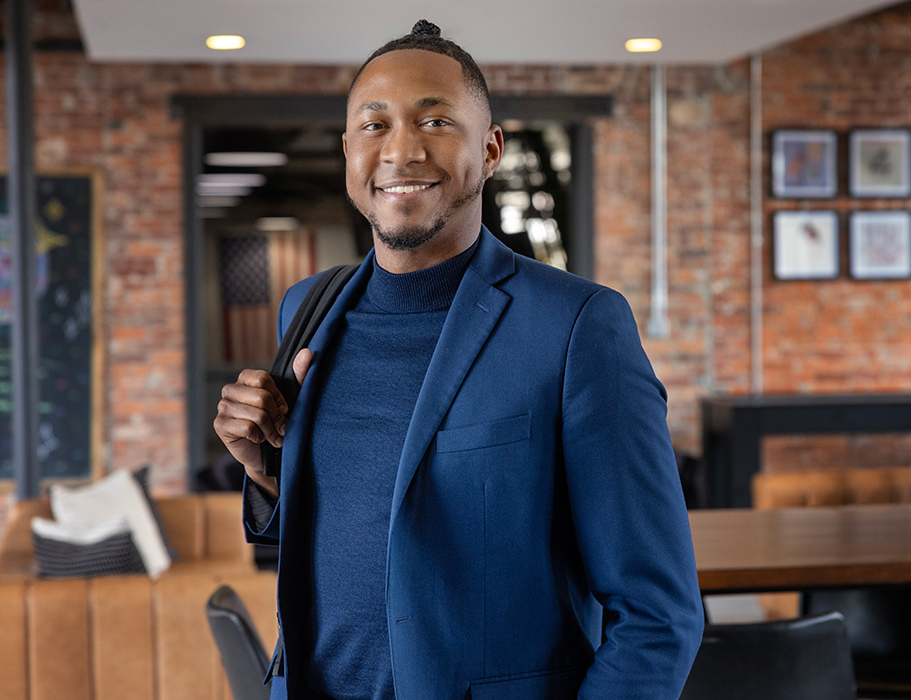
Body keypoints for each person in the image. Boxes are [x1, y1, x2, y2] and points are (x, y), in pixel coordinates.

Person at [214, 20, 703, 700]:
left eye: (436, 120)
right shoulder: (308, 307)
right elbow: (349, 530)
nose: (402, 150)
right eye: (374, 124)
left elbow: (658, 617)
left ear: (492, 149)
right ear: (349, 149)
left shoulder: (576, 326)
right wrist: (265, 473)